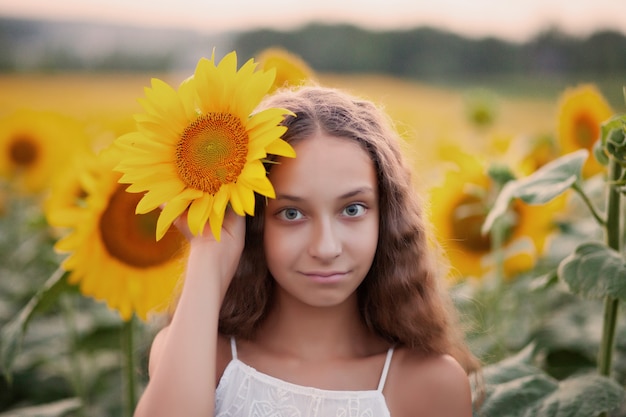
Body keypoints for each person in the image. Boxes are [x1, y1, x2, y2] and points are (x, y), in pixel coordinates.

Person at [133, 85, 481, 417]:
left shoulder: (430, 384)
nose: (326, 248)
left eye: (353, 209)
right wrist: (209, 250)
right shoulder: (202, 360)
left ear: (386, 217)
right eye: (292, 213)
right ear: (255, 223)